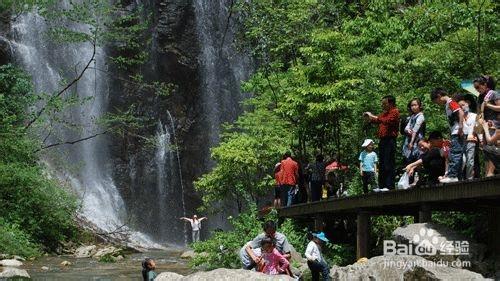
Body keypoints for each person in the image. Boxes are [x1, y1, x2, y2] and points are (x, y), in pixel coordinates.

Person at [364, 95, 400, 190]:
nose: (382, 105)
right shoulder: (384, 113)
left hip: (390, 140)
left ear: (391, 103)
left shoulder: (395, 112)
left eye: (384, 103)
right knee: (383, 163)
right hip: (383, 140)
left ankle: (389, 186)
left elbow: (386, 121)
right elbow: (378, 119)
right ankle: (382, 185)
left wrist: (373, 116)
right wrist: (370, 118)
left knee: (389, 163)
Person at [431, 88, 464, 183]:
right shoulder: (447, 104)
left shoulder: (450, 102)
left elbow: (460, 112)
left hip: (457, 131)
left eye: (436, 102)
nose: (438, 104)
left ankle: (453, 175)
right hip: (455, 130)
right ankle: (458, 176)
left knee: (455, 153)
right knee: (459, 154)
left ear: (438, 96)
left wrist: (460, 127)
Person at [457, 96, 478, 180]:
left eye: (463, 105)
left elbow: (478, 128)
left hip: (471, 139)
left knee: (470, 160)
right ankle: (460, 178)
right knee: (462, 160)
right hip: (461, 140)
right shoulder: (458, 118)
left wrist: (481, 140)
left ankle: (469, 178)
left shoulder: (474, 116)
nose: (462, 107)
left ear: (467, 104)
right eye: (460, 106)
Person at [402, 98, 425, 165]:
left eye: (415, 105)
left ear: (419, 106)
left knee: (416, 157)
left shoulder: (421, 116)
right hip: (409, 138)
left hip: (417, 140)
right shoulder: (412, 116)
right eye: (412, 105)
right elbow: (406, 127)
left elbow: (415, 130)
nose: (413, 107)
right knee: (408, 158)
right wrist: (407, 130)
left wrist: (411, 142)